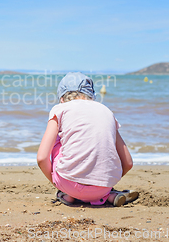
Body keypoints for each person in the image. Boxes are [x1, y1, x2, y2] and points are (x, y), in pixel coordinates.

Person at [37, 72, 138, 207]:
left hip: (69, 184)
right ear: (92, 97)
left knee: (57, 141)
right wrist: (105, 183)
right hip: (104, 186)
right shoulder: (106, 111)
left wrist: (57, 183)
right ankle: (106, 195)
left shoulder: (60, 109)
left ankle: (68, 194)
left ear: (61, 98)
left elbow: (41, 158)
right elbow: (128, 163)